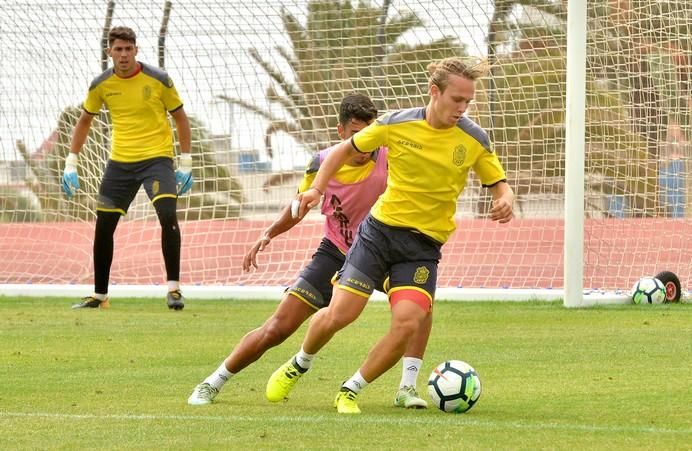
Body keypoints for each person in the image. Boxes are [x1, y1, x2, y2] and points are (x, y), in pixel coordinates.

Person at [266, 57, 515, 414]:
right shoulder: (396, 124)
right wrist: (317, 190)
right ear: (434, 92)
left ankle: (350, 389)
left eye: (468, 101)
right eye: (456, 99)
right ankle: (300, 363)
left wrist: (505, 200)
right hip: (378, 234)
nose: (462, 108)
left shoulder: (474, 138)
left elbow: (500, 185)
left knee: (409, 322)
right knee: (341, 314)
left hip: (423, 246)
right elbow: (342, 151)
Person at [187, 93, 431, 409]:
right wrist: (270, 233)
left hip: (381, 251)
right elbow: (298, 206)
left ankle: (407, 388)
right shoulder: (321, 164)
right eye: (356, 133)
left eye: (369, 132)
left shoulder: (391, 157)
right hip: (337, 251)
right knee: (278, 328)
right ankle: (212, 383)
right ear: (341, 131)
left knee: (421, 309)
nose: (364, 142)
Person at [63, 26, 193, 310]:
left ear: (136, 50)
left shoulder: (159, 80)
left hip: (157, 160)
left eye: (128, 49)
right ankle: (99, 296)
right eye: (118, 50)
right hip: (120, 164)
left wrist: (186, 161)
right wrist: (71, 161)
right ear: (109, 52)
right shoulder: (101, 85)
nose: (123, 55)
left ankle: (174, 289)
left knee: (168, 214)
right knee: (103, 226)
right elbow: (84, 121)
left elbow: (181, 118)